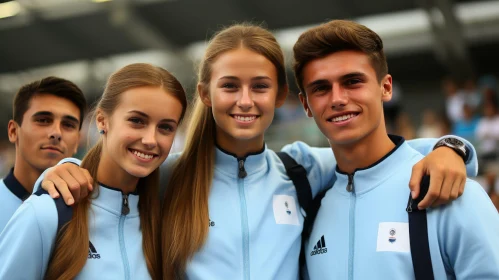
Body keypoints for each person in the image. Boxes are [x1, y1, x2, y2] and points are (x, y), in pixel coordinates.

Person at [37, 25, 477, 280]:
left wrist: (451, 148)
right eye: (230, 86)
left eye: (260, 87)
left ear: (283, 95)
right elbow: (110, 180)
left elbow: (380, 161)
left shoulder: (303, 169)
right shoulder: (168, 177)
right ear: (206, 94)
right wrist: (61, 170)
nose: (244, 101)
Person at [293, 19, 499, 279]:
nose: (338, 99)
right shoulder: (311, 210)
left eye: (353, 81)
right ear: (306, 104)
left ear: (386, 87)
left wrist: (453, 147)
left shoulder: (451, 192)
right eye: (321, 88)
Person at [0, 63, 188, 280]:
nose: (150, 140)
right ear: (101, 120)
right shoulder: (46, 213)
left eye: (165, 127)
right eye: (137, 121)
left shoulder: (167, 221)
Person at [0, 77, 87, 231]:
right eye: (43, 120)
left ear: (78, 141)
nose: (56, 133)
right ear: (13, 131)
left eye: (68, 125)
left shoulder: (93, 212)